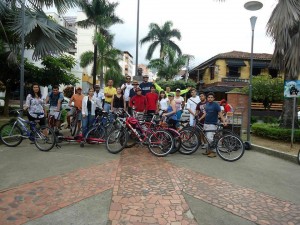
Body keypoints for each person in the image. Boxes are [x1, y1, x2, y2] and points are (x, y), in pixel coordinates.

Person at [199, 92, 227, 158]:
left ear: (214, 98)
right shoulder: (207, 104)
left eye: (211, 97)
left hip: (212, 124)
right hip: (206, 123)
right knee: (206, 138)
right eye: (209, 97)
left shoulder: (216, 105)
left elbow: (220, 114)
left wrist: (224, 121)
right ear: (207, 98)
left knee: (209, 138)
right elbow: (205, 113)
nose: (210, 99)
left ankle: (213, 152)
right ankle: (208, 151)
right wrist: (200, 119)